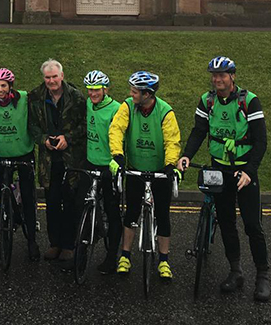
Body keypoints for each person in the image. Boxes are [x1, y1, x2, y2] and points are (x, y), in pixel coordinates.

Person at [178, 56, 270, 302]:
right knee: (227, 222)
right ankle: (236, 271)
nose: (218, 79)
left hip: (244, 173)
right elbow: (199, 131)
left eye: (223, 75)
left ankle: (262, 276)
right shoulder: (207, 101)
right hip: (220, 170)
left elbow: (261, 141)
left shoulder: (249, 101)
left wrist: (250, 171)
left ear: (233, 77)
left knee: (252, 225)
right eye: (214, 75)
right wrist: (186, 155)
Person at [109, 71, 181, 280]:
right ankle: (125, 256)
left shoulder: (165, 111)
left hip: (159, 171)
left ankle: (164, 260)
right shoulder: (128, 107)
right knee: (131, 213)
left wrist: (170, 164)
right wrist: (118, 154)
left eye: (135, 92)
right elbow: (116, 129)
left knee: (163, 215)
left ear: (148, 94)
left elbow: (172, 140)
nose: (131, 94)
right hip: (135, 169)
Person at [28, 58, 86, 266]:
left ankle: (69, 245)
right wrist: (43, 139)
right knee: (51, 201)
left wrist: (67, 139)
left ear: (62, 76)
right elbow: (32, 126)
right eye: (47, 77)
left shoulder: (77, 97)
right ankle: (54, 243)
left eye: (54, 77)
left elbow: (85, 126)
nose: (51, 81)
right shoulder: (35, 97)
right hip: (48, 159)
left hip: (71, 159)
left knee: (69, 201)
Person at [0, 67, 40, 261]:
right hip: (1, 154)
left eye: (3, 86)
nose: (0, 89)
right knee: (3, 195)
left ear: (11, 86)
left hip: (24, 153)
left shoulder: (24, 98)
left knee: (27, 195)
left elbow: (44, 94)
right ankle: (3, 235)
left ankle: (31, 240)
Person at [81, 70, 122, 273]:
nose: (92, 94)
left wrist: (116, 163)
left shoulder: (116, 109)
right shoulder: (87, 104)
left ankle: (111, 256)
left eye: (96, 89)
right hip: (90, 163)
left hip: (109, 166)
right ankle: (80, 253)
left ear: (105, 89)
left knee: (113, 212)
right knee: (82, 207)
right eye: (89, 90)